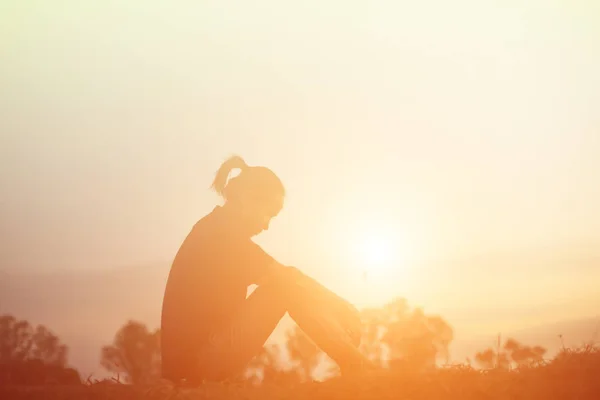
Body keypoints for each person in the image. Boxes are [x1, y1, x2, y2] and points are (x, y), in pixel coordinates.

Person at [160, 155, 370, 385]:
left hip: (196, 362)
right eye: (268, 213)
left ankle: (355, 363)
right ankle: (356, 365)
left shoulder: (216, 228)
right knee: (284, 289)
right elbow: (287, 278)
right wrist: (341, 307)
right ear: (246, 199)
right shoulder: (222, 236)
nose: (267, 225)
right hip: (199, 364)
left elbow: (287, 275)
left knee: (286, 285)